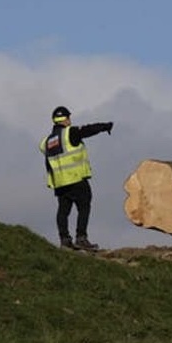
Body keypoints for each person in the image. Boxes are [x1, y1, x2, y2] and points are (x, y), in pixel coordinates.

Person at [41, 106, 113, 250]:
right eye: (69, 118)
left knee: (63, 211)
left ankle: (64, 240)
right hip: (75, 179)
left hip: (60, 183)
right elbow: (87, 130)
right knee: (84, 206)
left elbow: (49, 164)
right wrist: (105, 126)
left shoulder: (46, 142)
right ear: (66, 119)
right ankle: (81, 238)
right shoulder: (70, 133)